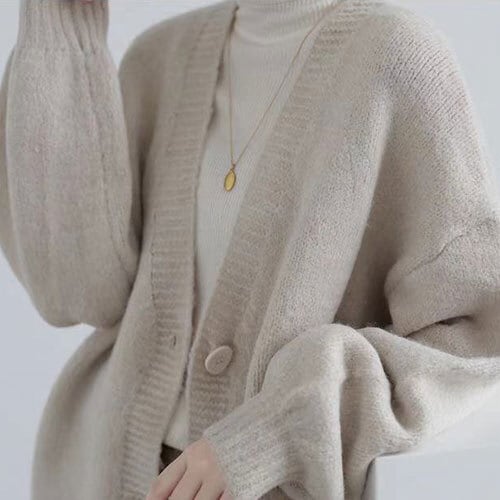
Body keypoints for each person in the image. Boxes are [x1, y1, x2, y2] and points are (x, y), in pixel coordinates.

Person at [1, 0, 500, 499]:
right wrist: (60, 26)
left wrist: (276, 430)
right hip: (100, 477)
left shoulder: (398, 58)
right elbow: (77, 293)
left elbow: (479, 338)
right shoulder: (159, 57)